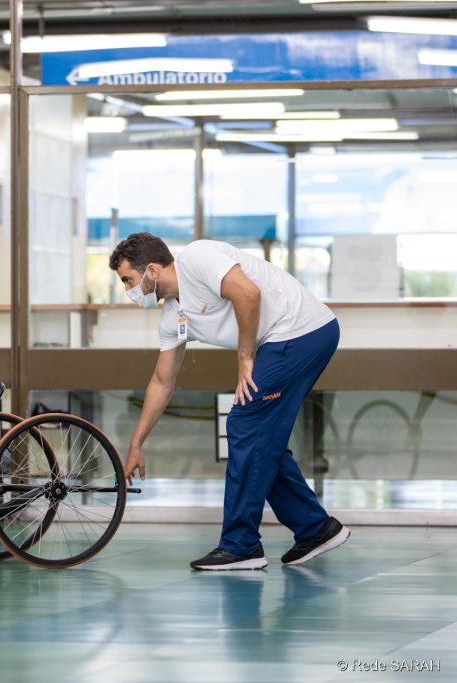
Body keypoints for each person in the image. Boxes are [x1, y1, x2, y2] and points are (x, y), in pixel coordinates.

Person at [110, 233, 350, 571]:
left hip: (301, 330)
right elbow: (163, 381)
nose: (128, 291)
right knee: (260, 437)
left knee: (244, 423)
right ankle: (315, 528)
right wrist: (136, 443)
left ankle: (241, 545)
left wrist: (244, 358)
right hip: (284, 341)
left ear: (151, 270)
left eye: (128, 281)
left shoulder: (197, 257)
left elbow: (247, 293)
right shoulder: (174, 317)